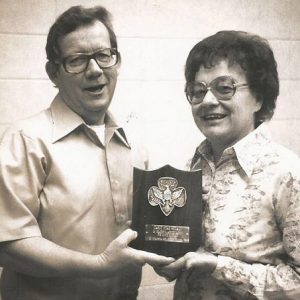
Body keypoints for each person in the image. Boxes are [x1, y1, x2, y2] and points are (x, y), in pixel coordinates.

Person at [0, 5, 173, 300]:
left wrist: (172, 251)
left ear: (117, 62)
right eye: (77, 60)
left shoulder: (134, 143)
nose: (95, 70)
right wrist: (99, 265)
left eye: (104, 55)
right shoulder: (26, 140)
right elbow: (9, 246)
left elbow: (145, 229)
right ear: (53, 72)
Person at [156, 31, 300, 299]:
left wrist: (219, 266)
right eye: (197, 91)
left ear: (259, 97)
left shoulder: (288, 174)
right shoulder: (191, 168)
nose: (208, 101)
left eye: (224, 88)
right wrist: (166, 257)